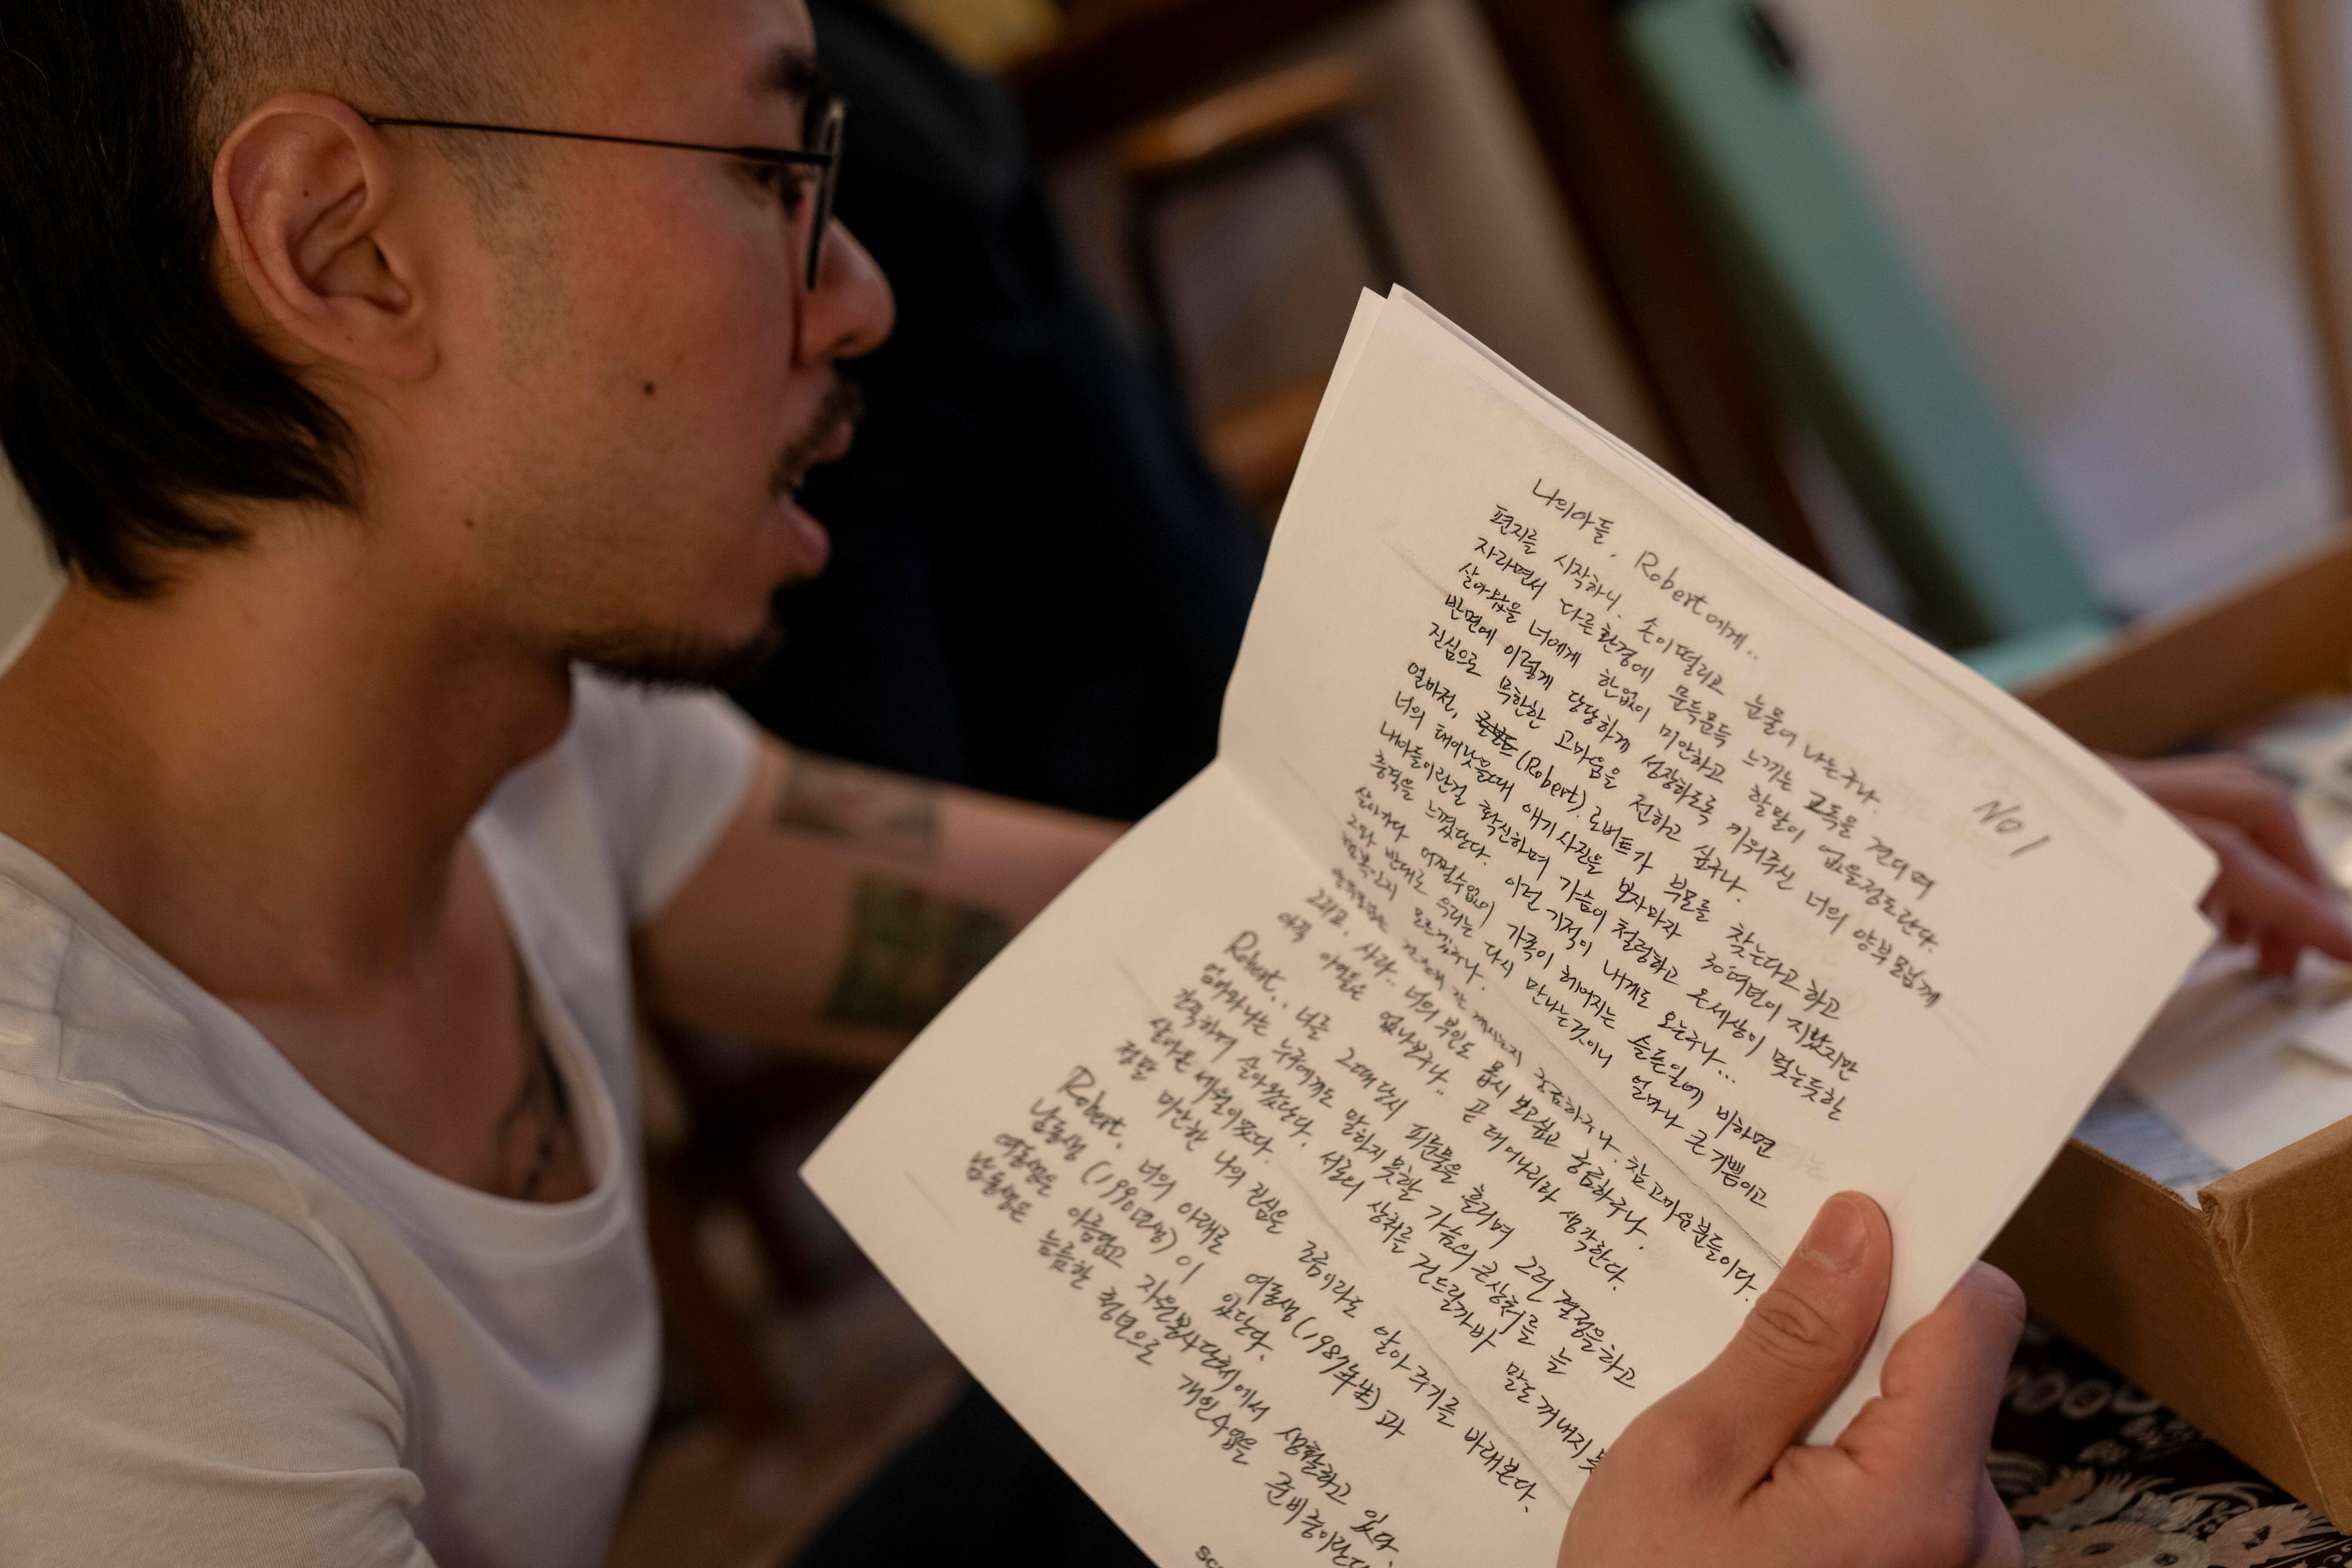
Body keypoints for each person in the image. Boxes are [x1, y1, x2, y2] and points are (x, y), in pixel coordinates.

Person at [0, 4, 2344, 1567]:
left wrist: (1898, 864)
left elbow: (1230, 924)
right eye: (760, 166)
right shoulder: (80, 1253)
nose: (864, 296)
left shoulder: (527, 759)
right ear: (339, 250)